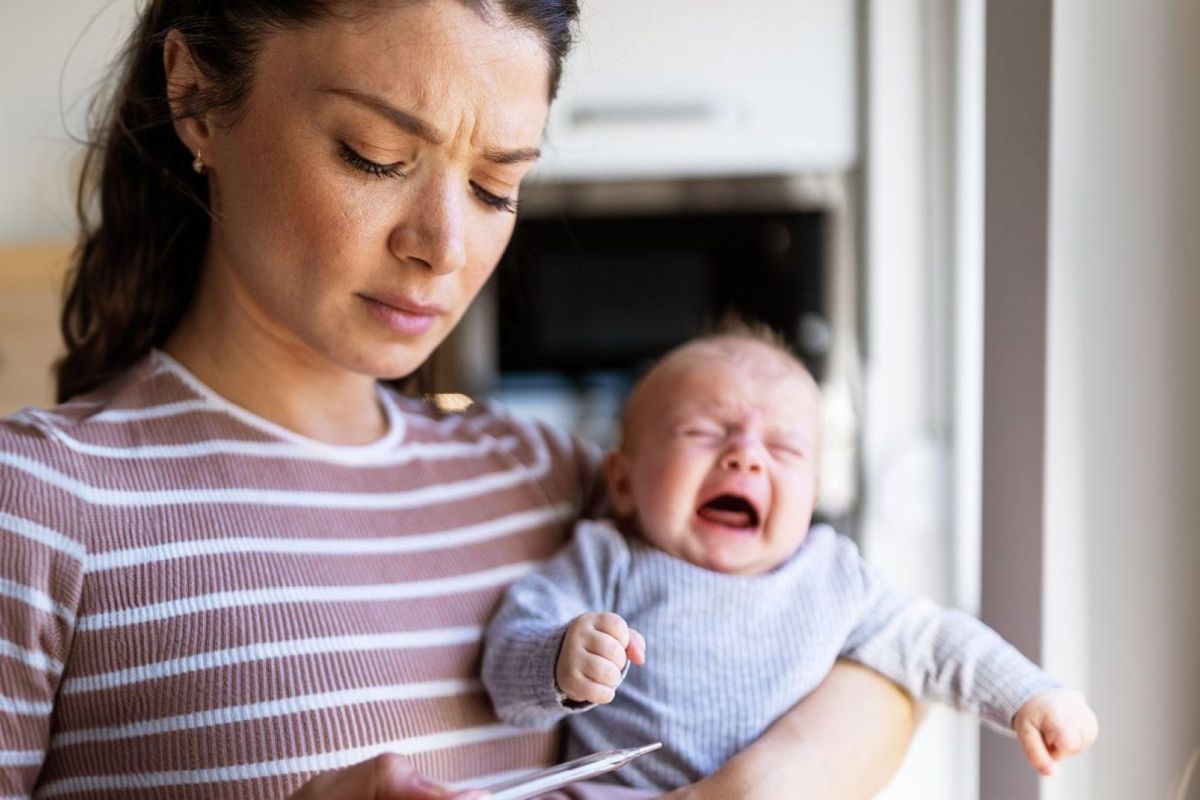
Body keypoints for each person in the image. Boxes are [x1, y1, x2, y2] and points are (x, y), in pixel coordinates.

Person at [0, 1, 917, 798]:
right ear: (196, 96)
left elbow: (882, 658)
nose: (443, 247)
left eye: (494, 186)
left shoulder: (550, 481)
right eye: (374, 157)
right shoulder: (40, 503)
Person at [482, 328, 1101, 792]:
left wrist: (1028, 694)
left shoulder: (832, 576)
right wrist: (559, 659)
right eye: (704, 433)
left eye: (783, 447)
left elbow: (934, 640)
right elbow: (506, 661)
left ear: (814, 493)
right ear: (622, 481)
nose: (746, 458)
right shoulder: (607, 558)